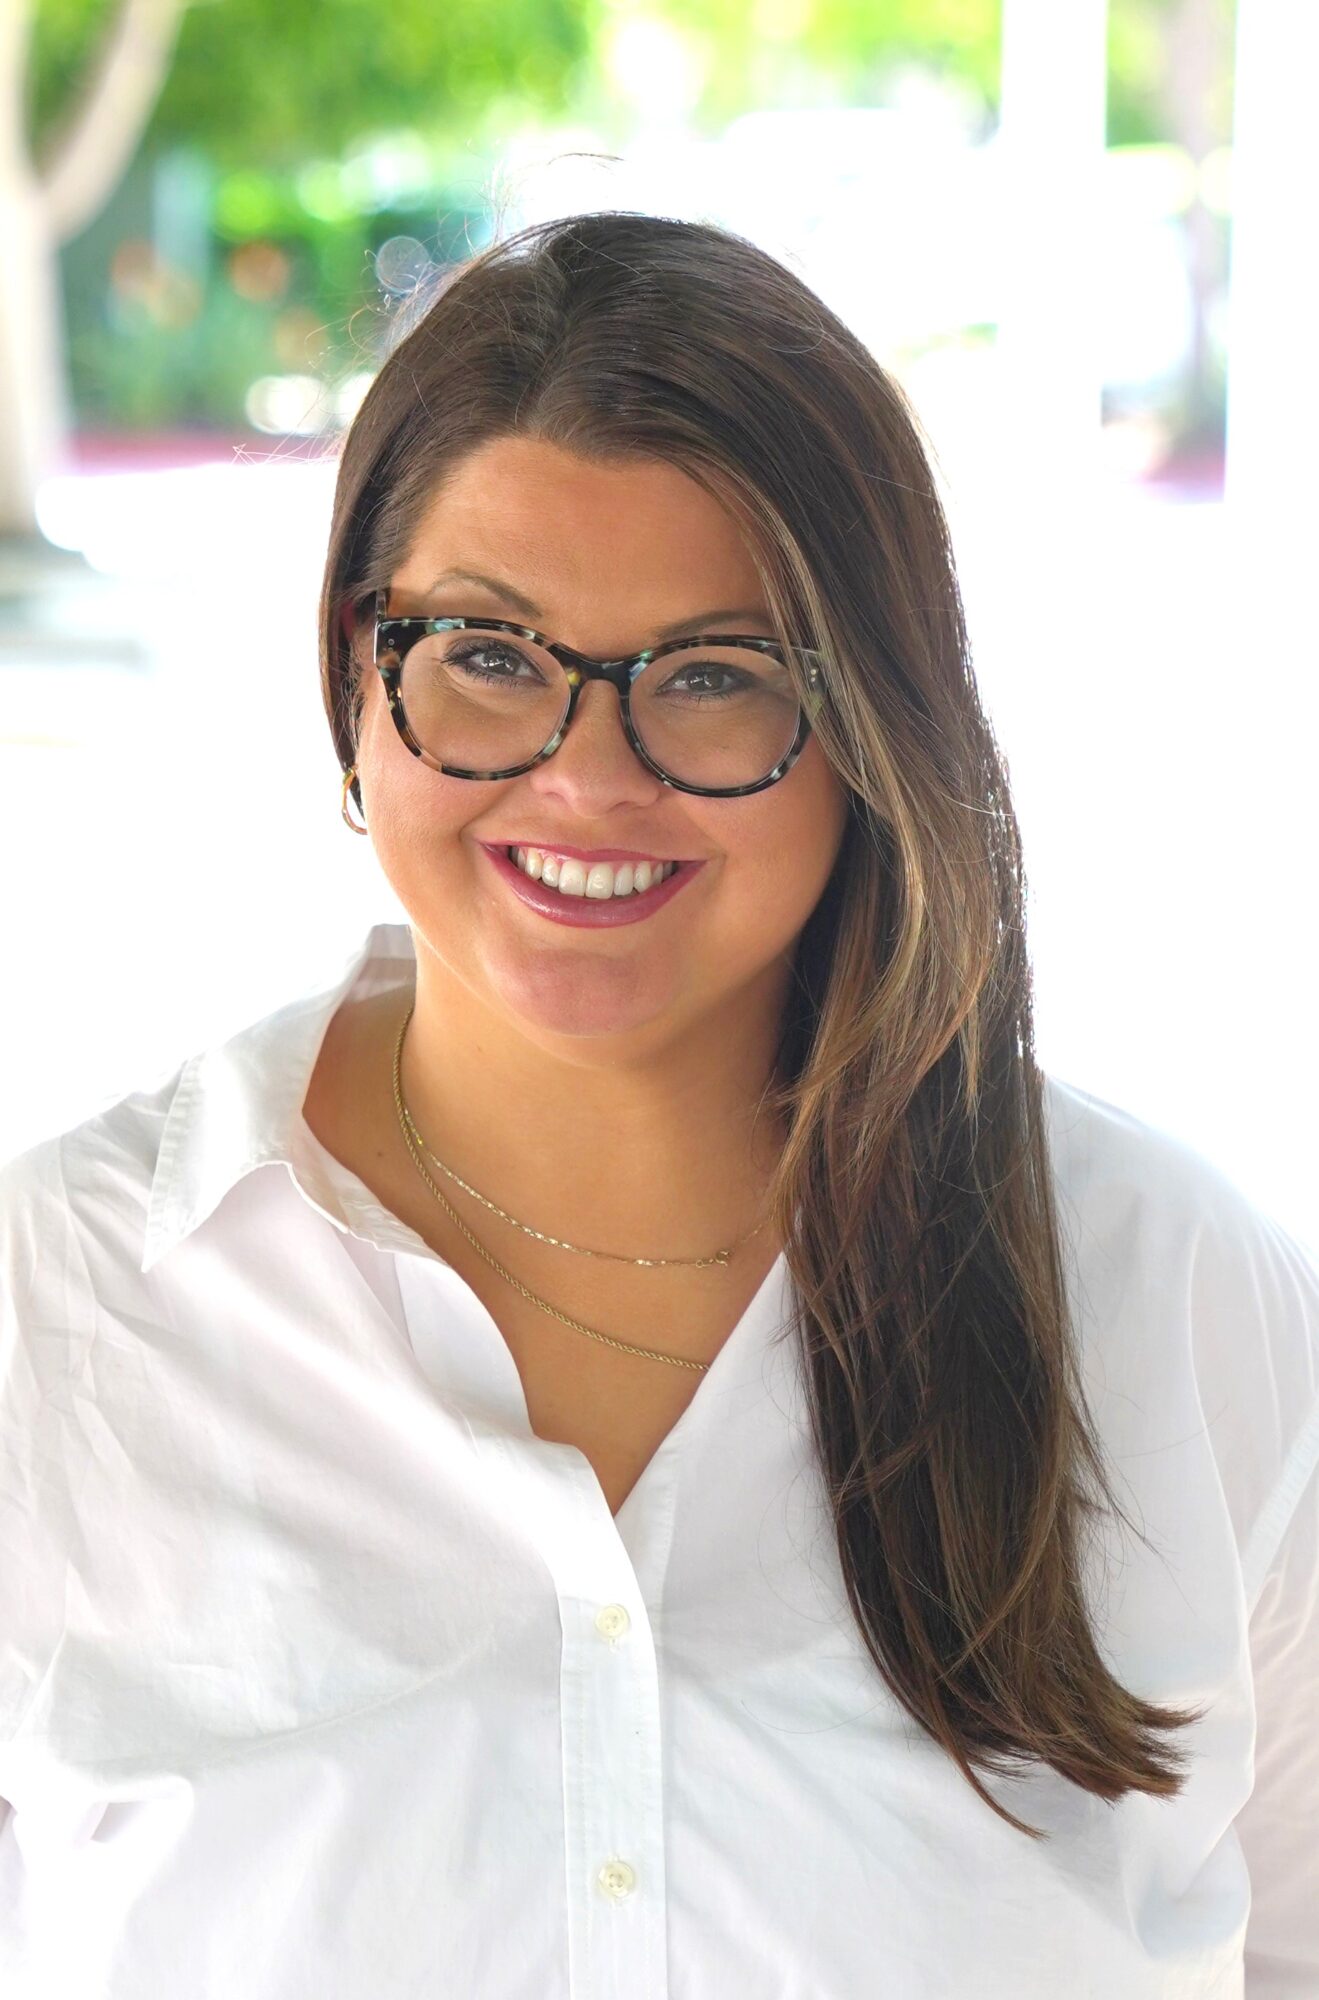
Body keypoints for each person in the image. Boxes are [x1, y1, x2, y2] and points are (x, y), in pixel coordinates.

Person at [0, 211, 1315, 1999]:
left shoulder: (1176, 1298)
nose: (586, 775)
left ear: (870, 718)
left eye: (713, 673)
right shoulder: (52, 1314)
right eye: (486, 651)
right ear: (352, 669)